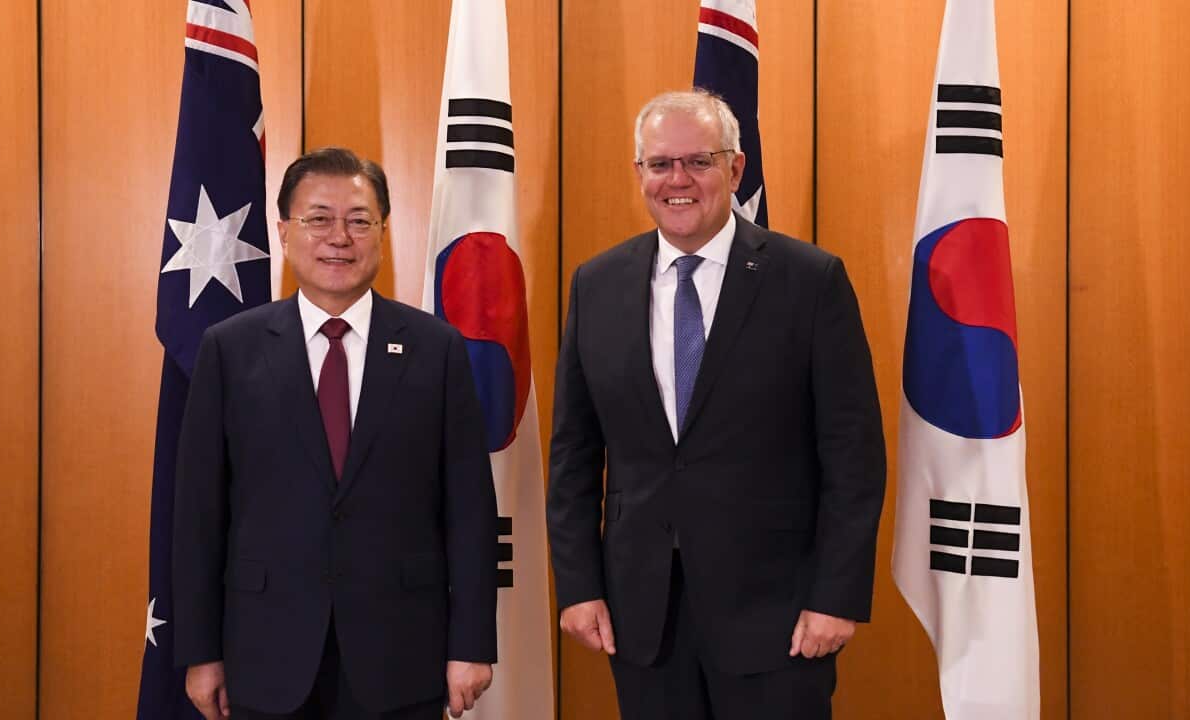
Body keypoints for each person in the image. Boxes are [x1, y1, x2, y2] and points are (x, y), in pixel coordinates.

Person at [546, 90, 886, 719]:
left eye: (699, 161)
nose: (677, 180)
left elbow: (854, 456)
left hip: (778, 615)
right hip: (642, 616)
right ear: (640, 172)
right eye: (660, 164)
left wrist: (836, 596)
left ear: (735, 168)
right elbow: (573, 454)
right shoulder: (597, 284)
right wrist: (578, 586)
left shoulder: (809, 280)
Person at [173, 147, 497, 720]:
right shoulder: (230, 349)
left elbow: (470, 508)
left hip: (401, 654)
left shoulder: (436, 349)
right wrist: (201, 652)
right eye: (318, 219)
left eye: (359, 221)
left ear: (383, 233)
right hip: (264, 654)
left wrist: (471, 645)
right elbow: (199, 514)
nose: (339, 238)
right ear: (284, 231)